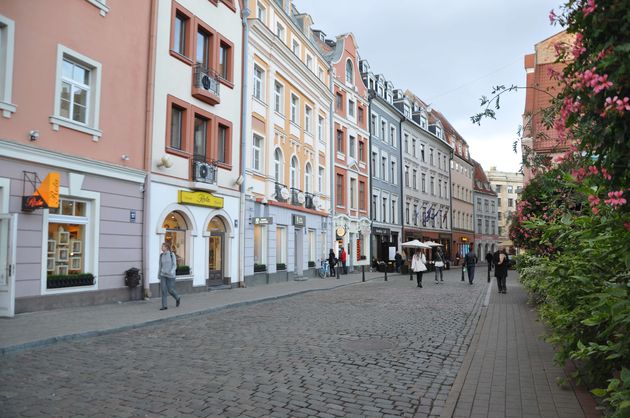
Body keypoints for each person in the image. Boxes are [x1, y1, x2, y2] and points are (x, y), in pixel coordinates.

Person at [159, 242, 181, 310]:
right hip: (163, 275)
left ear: (166, 247)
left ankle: (177, 297)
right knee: (163, 290)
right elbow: (160, 266)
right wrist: (159, 274)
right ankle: (164, 306)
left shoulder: (172, 254)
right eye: (162, 246)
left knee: (170, 290)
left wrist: (171, 271)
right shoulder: (161, 255)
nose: (161, 247)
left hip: (171, 276)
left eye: (163, 246)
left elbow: (175, 265)